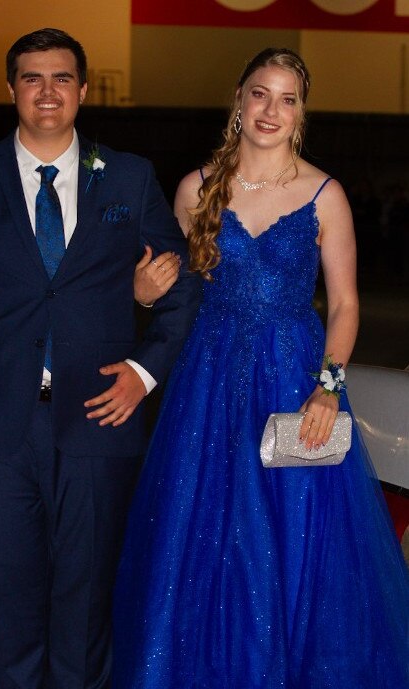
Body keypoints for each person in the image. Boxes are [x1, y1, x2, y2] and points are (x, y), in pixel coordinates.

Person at [0, 28, 201, 689]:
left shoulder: (126, 175)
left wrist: (144, 370)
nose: (47, 91)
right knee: (7, 600)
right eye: (33, 78)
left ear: (84, 90)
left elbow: (181, 288)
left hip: (99, 418)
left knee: (85, 602)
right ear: (10, 88)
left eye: (61, 78)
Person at [113, 48, 409, 688]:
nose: (271, 110)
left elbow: (347, 304)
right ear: (239, 100)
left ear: (301, 113)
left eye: (288, 98)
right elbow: (179, 295)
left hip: (296, 378)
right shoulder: (195, 189)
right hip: (210, 384)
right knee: (207, 536)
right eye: (260, 94)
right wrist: (142, 292)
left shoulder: (325, 194)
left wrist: (327, 387)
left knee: (295, 534)